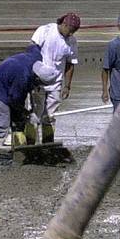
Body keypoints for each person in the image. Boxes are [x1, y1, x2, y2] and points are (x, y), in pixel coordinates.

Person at [0, 47, 59, 166]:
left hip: (9, 84)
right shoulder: (23, 77)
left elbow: (33, 47)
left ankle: (20, 158)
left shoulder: (36, 58)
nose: (38, 86)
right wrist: (28, 114)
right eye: (39, 84)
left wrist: (24, 115)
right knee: (1, 123)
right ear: (36, 77)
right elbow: (14, 101)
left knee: (19, 122)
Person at [30, 12, 80, 144]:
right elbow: (31, 53)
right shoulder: (44, 31)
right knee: (35, 113)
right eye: (70, 30)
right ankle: (30, 143)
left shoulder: (72, 41)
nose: (71, 34)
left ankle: (48, 143)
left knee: (50, 116)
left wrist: (67, 86)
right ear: (64, 24)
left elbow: (70, 64)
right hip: (37, 81)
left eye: (74, 32)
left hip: (55, 84)